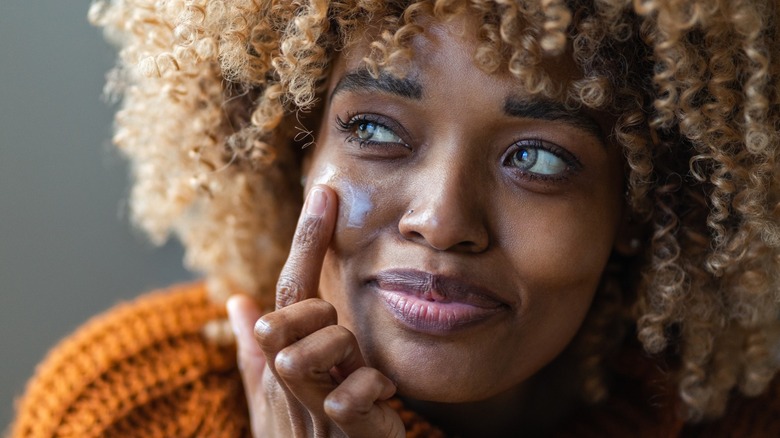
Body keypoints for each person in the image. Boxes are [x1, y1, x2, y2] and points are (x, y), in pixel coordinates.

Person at [11, 0, 780, 436]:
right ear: (294, 151)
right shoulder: (129, 411)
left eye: (539, 159)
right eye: (375, 131)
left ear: (640, 206)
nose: (442, 220)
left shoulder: (742, 418)